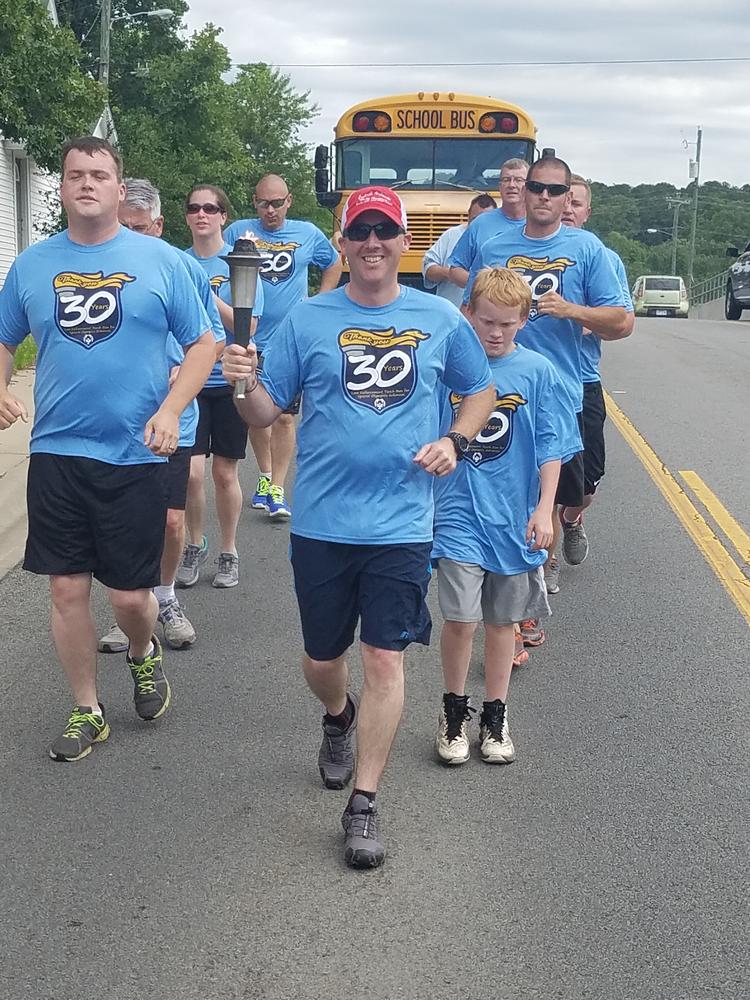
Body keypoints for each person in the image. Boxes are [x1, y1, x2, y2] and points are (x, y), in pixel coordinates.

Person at [222, 185, 496, 869]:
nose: (372, 243)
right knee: (321, 660)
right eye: (360, 231)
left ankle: (365, 804)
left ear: (404, 243)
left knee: (384, 657)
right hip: (321, 520)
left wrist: (457, 441)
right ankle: (338, 716)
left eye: (385, 230)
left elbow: (481, 390)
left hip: (403, 523)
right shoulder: (309, 319)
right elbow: (264, 412)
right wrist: (239, 380)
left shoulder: (437, 317)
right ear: (341, 243)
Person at [0, 137, 216, 762]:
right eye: (75, 175)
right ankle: (87, 709)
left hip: (136, 452)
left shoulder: (160, 261)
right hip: (58, 452)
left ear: (120, 189)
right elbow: (4, 336)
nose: (86, 183)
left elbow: (202, 344)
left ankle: (143, 654)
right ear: (62, 188)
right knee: (66, 590)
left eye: (99, 174)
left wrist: (172, 410)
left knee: (128, 597)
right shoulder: (32, 265)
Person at [464, 156, 631, 596]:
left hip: (565, 390)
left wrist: (572, 310)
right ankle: (537, 572)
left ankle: (564, 527)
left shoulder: (588, 250)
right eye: (536, 186)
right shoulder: (495, 246)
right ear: (523, 189)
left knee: (574, 488)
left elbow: (622, 322)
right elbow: (468, 313)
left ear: (566, 198)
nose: (543, 195)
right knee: (514, 484)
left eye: (555, 190)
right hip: (500, 388)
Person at [433, 267, 580, 764]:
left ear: (523, 322)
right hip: (456, 512)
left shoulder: (538, 372)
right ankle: (454, 711)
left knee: (502, 623)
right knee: (460, 619)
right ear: (467, 313)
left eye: (507, 324)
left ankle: (496, 715)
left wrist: (544, 510)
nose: (495, 333)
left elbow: (552, 448)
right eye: (486, 321)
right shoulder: (448, 366)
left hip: (513, 517)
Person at [97, 178, 226, 654]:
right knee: (124, 523)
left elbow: (212, 337)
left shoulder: (181, 267)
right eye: (122, 225)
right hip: (118, 420)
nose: (129, 234)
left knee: (172, 523)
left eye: (139, 227)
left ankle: (165, 598)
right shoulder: (105, 267)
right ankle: (131, 610)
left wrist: (183, 369)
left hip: (175, 419)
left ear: (158, 224)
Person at [224, 174, 343, 519]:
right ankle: (263, 476)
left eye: (277, 203)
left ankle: (277, 487)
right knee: (256, 415)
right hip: (249, 340)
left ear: (289, 201)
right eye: (264, 203)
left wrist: (320, 302)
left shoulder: (306, 233)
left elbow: (333, 262)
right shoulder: (238, 232)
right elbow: (220, 268)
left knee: (286, 418)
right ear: (254, 202)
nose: (271, 210)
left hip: (290, 340)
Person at [177, 184, 264, 589]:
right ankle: (196, 543)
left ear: (223, 216)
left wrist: (209, 296)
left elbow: (248, 328)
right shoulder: (177, 262)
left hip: (229, 380)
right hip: (189, 382)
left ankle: (229, 550)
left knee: (225, 474)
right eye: (194, 208)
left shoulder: (240, 262)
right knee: (192, 473)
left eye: (210, 208)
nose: (202, 215)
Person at [557, 174, 635, 562]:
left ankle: (572, 518)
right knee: (535, 482)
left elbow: (622, 322)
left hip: (582, 379)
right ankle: (544, 564)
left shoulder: (602, 257)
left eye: (576, 203)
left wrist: (582, 315)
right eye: (562, 199)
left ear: (587, 212)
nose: (567, 208)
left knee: (584, 486)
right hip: (532, 384)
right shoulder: (523, 248)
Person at [448, 158, 529, 289]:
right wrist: (485, 288)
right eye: (506, 180)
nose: (512, 185)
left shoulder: (538, 224)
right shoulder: (480, 224)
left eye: (519, 180)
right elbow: (455, 270)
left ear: (529, 186)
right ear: (500, 186)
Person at [422, 194, 496, 306]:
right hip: (450, 314)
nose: (480, 225)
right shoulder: (451, 235)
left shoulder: (501, 241)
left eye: (486, 221)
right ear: (468, 215)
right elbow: (428, 269)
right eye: (475, 220)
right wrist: (450, 273)